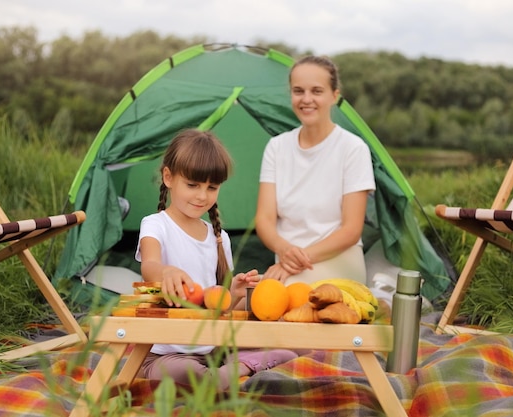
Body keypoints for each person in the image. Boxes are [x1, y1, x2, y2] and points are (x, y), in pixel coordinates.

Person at [135, 129, 297, 390]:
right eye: (193, 185)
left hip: (214, 347)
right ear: (168, 177)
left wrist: (235, 292)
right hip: (167, 353)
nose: (202, 196)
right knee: (182, 372)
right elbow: (149, 266)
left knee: (288, 352)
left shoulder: (218, 237)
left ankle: (232, 368)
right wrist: (165, 272)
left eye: (212, 187)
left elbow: (220, 305)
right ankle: (233, 371)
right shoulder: (155, 225)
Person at [255, 55, 379, 291]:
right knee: (249, 296)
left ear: (335, 96)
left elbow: (351, 230)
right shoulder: (277, 147)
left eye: (317, 91)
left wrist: (299, 260)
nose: (307, 99)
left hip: (338, 263)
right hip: (287, 263)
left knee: (277, 299)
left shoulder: (353, 149)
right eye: (298, 91)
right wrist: (285, 250)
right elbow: (264, 219)